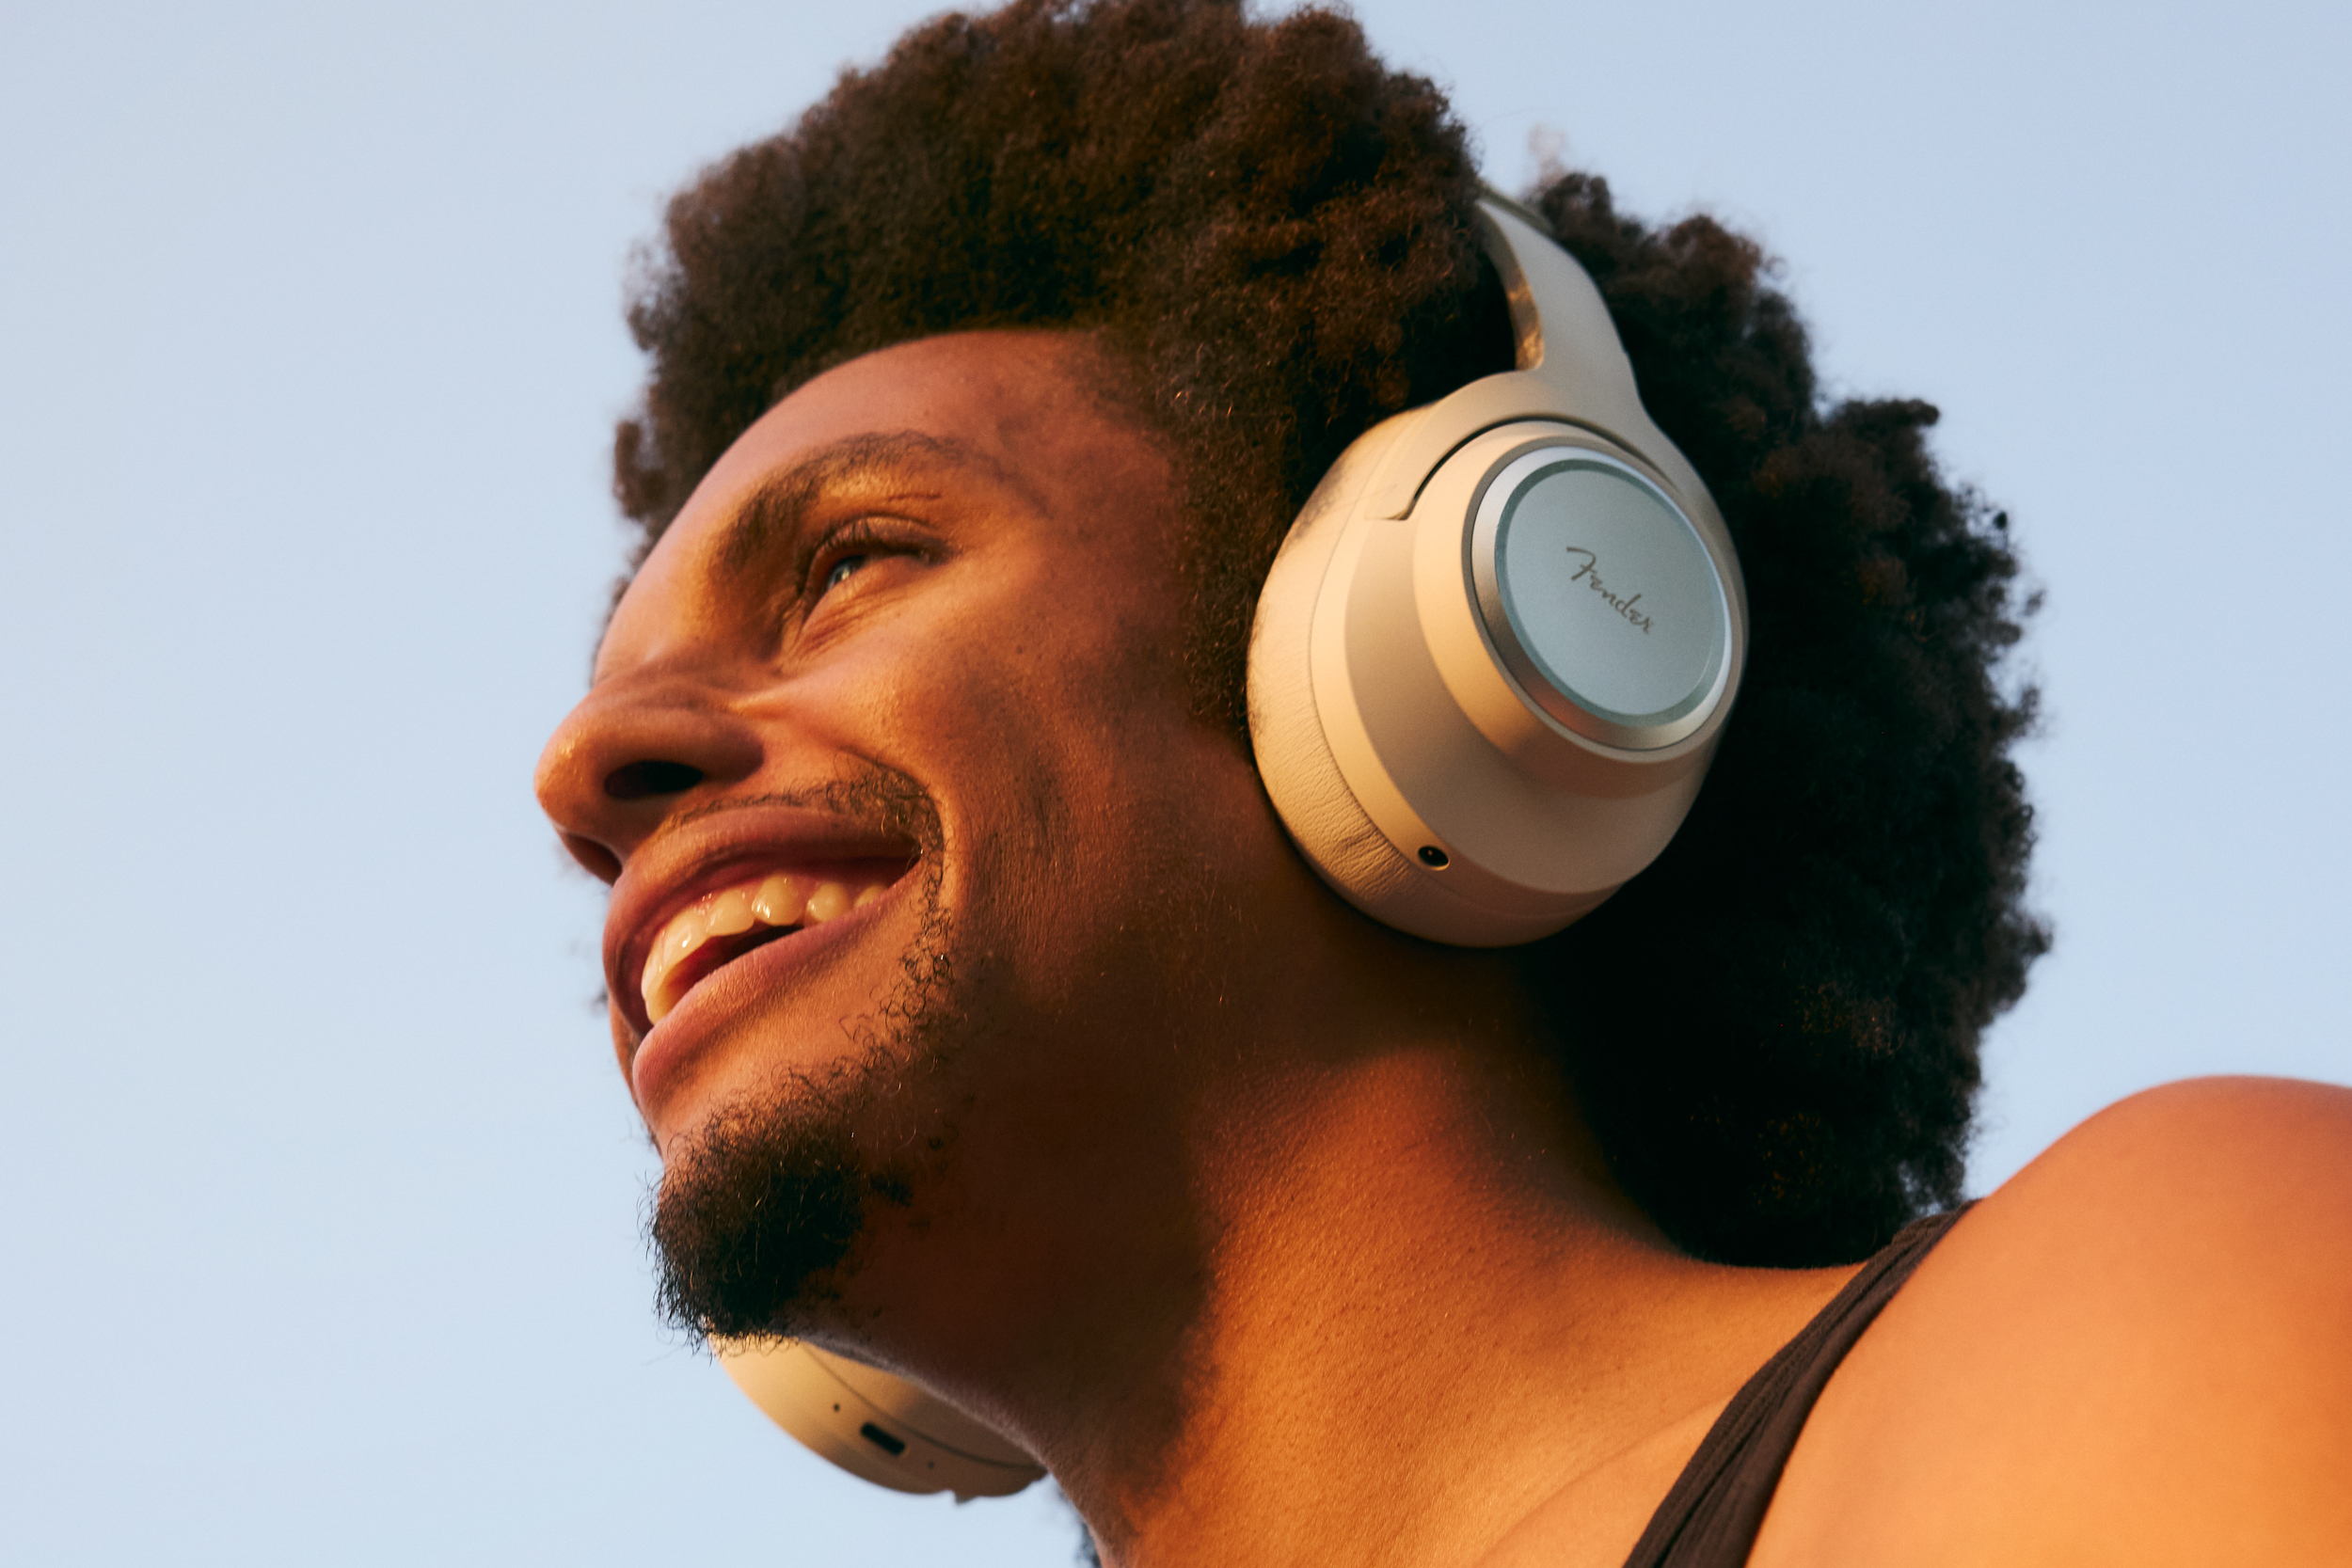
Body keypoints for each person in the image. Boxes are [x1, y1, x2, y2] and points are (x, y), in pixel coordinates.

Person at [531, 1, 2352, 1561]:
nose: (581, 774)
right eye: (609, 698)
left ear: (1399, 650)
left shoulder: (2145, 1324)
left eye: (851, 561)